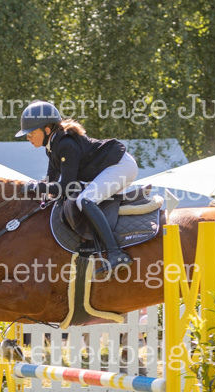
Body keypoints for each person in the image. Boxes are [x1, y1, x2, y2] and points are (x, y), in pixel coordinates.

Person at [15, 100, 139, 277]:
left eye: (31, 133)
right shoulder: (52, 147)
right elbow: (51, 182)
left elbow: (66, 187)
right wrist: (36, 192)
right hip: (109, 167)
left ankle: (116, 253)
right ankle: (93, 243)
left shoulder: (66, 144)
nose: (28, 138)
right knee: (80, 199)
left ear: (47, 130)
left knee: (85, 200)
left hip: (121, 166)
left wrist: (37, 186)